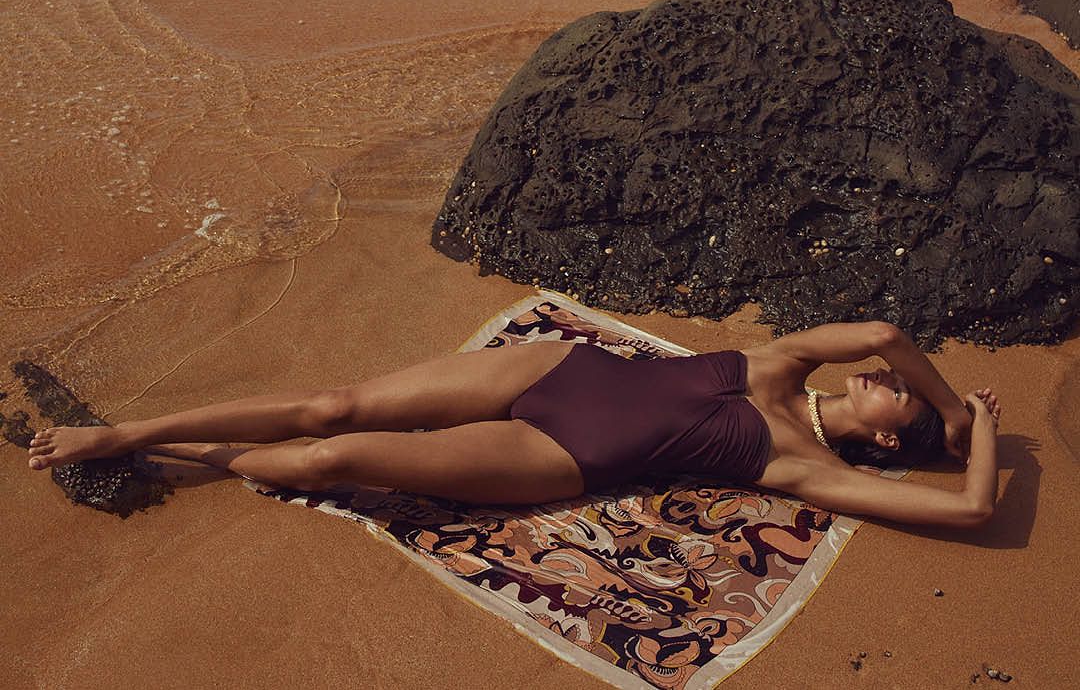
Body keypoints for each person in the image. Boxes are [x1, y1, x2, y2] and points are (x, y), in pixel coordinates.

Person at [27, 319, 1000, 527]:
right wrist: (951, 407)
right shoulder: (786, 362)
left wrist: (977, 434)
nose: (885, 376)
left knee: (332, 456)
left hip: (560, 451)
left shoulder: (803, 466)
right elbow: (886, 332)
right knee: (333, 403)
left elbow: (969, 510)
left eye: (898, 396)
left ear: (883, 438)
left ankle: (174, 447)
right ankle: (121, 435)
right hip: (558, 368)